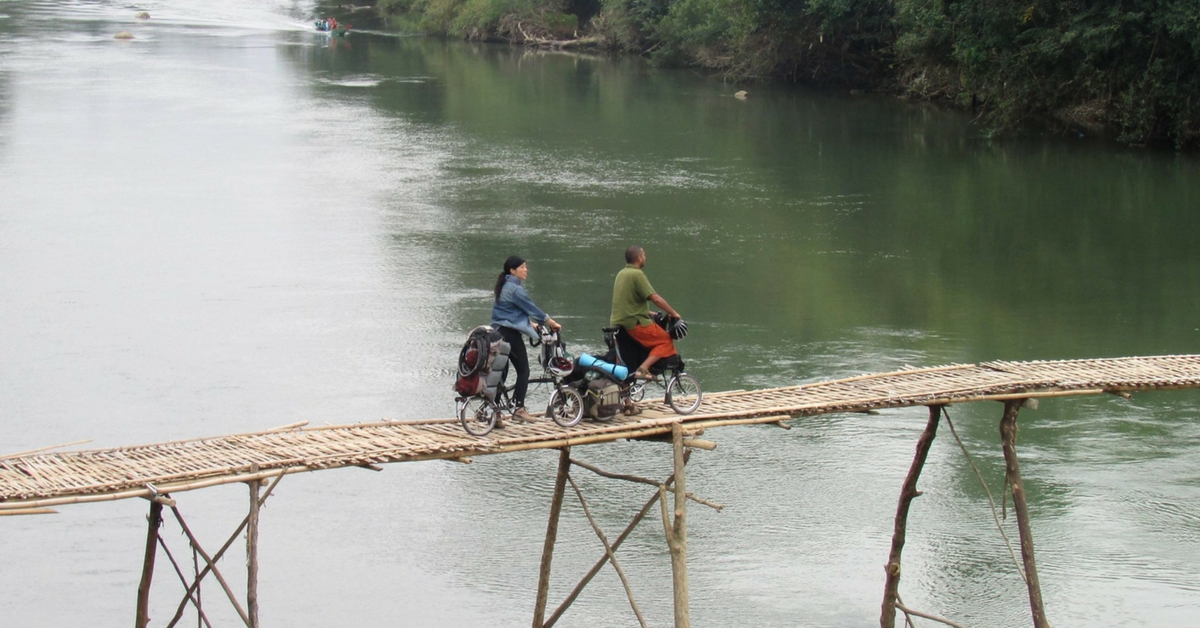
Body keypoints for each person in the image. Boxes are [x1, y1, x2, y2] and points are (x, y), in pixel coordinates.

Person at [491, 255, 561, 424]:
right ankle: (519, 409)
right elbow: (531, 307)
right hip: (510, 336)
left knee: (501, 373)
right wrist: (550, 322)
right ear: (512, 270)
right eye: (522, 267)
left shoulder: (504, 286)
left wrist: (530, 324)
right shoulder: (515, 289)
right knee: (524, 371)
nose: (526, 269)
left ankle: (495, 412)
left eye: (525, 266)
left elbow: (507, 313)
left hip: (498, 333)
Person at [610, 245, 682, 380]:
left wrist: (649, 313)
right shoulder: (637, 274)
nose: (645, 258)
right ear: (639, 258)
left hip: (618, 323)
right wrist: (673, 313)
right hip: (634, 324)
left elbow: (627, 302)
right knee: (666, 341)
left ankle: (627, 399)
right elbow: (655, 298)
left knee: (626, 359)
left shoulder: (621, 274)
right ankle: (643, 369)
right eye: (644, 255)